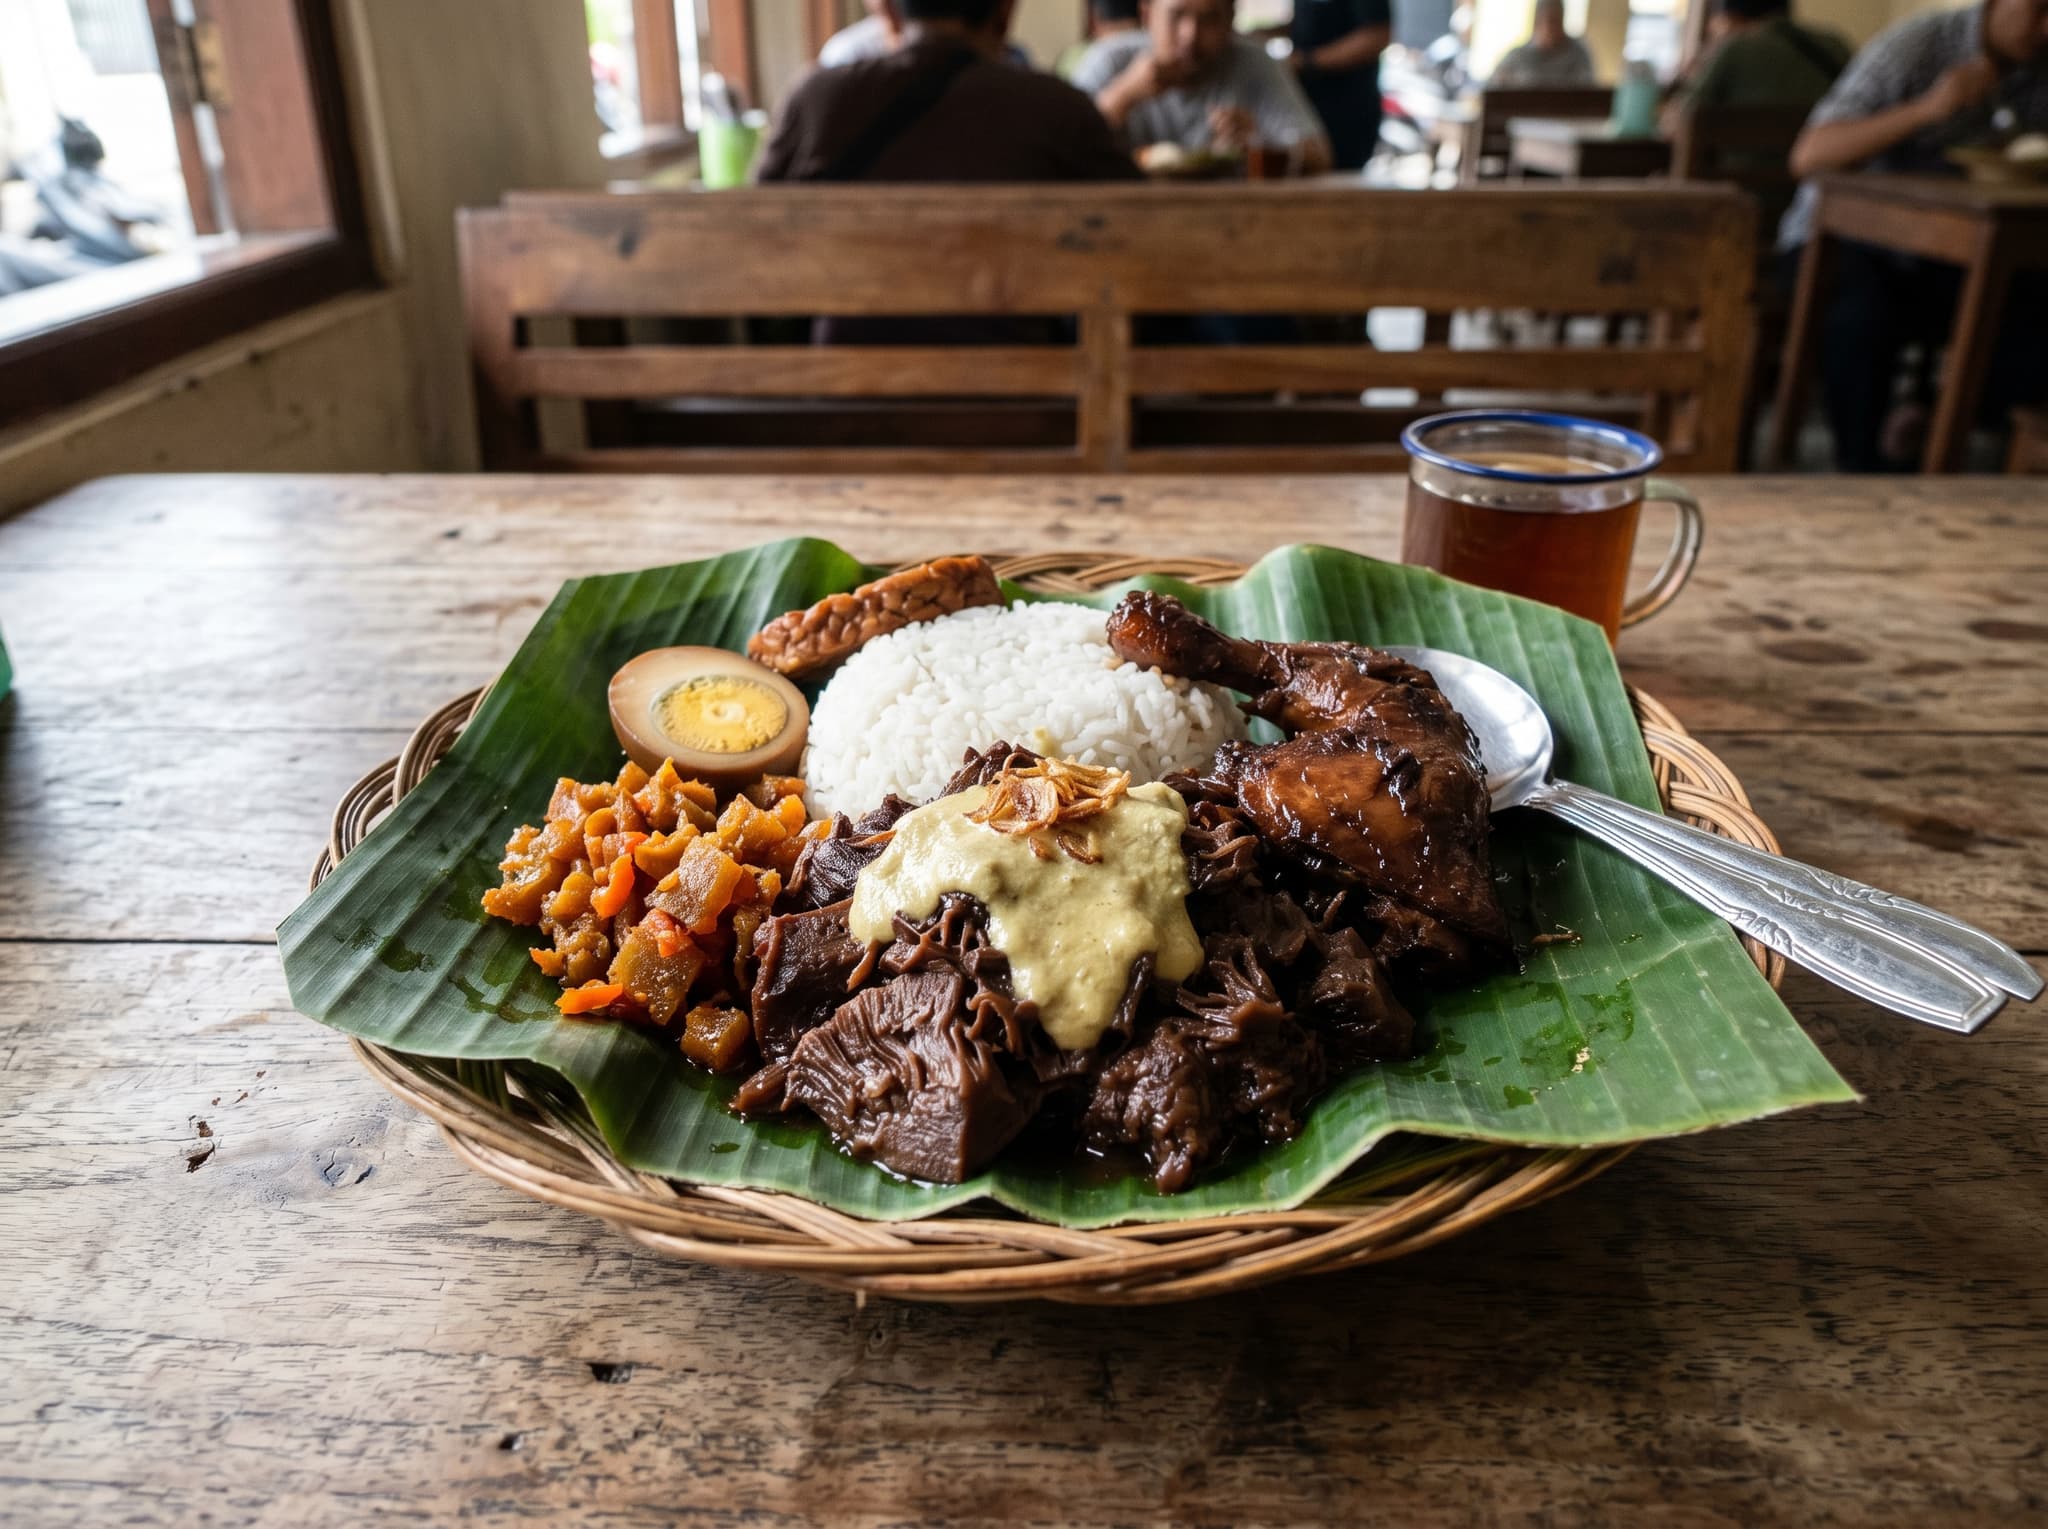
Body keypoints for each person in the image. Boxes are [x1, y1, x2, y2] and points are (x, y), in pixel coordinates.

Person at [1780, 0, 2048, 469]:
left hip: (1953, 248)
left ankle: (1936, 421)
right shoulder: (1919, 46)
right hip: (1838, 239)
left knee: (2026, 305)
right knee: (1861, 310)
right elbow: (1810, 156)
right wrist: (1929, 108)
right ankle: (1863, 472)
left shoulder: (2037, 69)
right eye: (2039, 10)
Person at [757, 0, 1136, 182]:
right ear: (1005, 13)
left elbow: (753, 229)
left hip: (846, 338)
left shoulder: (814, 99)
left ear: (890, 11)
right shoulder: (1059, 109)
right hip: (1015, 337)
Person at [1070, 0, 1334, 172]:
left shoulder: (1255, 64)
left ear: (1230, 20)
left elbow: (1320, 158)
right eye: (1177, 15)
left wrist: (1261, 145)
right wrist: (1121, 97)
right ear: (1147, 15)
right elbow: (1061, 152)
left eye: (1209, 19)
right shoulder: (1110, 60)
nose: (1190, 34)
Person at [1668, 0, 1848, 117]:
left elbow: (1677, 123)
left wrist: (1698, 69)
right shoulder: (1835, 45)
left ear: (1730, 17)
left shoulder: (1735, 49)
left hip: (1736, 174)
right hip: (1821, 174)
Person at [1287, 0, 1393, 170]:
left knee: (1338, 185)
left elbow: (1377, 34)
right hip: (1309, 107)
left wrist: (1304, 62)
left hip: (1347, 112)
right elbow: (1309, 24)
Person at [1489, 0, 1596, 88]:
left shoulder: (1578, 54)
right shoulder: (1517, 56)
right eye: (1545, 20)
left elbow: (1588, 88)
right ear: (1536, 22)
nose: (1549, 28)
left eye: (1555, 20)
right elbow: (1492, 85)